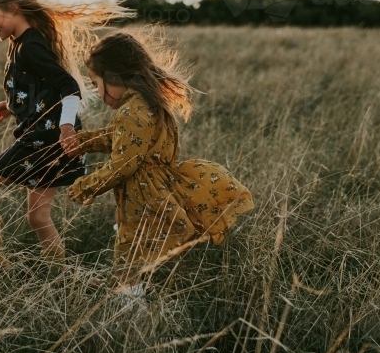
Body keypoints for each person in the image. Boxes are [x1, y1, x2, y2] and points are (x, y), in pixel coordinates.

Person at [67, 31, 254, 295]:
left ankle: (129, 306)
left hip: (141, 193)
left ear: (114, 77)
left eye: (97, 84)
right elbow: (124, 139)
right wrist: (85, 142)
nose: (98, 92)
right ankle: (129, 287)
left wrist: (87, 185)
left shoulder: (132, 110)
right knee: (135, 245)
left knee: (129, 249)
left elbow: (124, 164)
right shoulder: (146, 103)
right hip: (152, 188)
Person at [0, 0, 125, 263]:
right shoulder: (21, 42)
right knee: (38, 216)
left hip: (43, 141)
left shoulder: (30, 46)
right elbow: (41, 88)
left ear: (13, 7)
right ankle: (58, 271)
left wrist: (66, 126)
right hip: (48, 140)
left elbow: (68, 87)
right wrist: (12, 103)